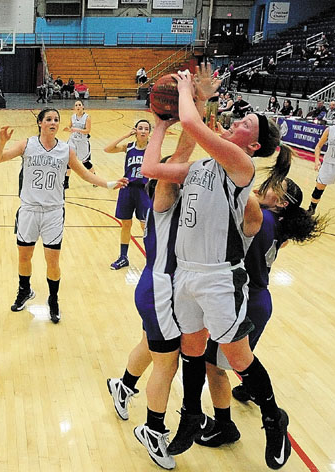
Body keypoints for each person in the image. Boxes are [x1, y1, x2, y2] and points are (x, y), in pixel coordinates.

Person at [142, 71, 294, 469]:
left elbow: (192, 123)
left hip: (219, 276)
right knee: (191, 349)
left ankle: (273, 418)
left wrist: (185, 90)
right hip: (186, 275)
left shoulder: (241, 167)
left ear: (254, 144)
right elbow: (150, 168)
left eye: (244, 124)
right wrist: (160, 125)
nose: (236, 121)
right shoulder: (200, 169)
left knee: (237, 356)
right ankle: (192, 414)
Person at [107, 66, 218, 471]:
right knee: (167, 364)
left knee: (152, 349)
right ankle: (153, 430)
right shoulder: (165, 192)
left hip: (163, 287)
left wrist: (198, 105)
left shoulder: (180, 184)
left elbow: (190, 150)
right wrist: (190, 106)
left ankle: (123, 385)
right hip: (162, 288)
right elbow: (185, 152)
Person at [200, 177, 325, 448]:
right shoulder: (278, 224)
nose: (264, 185)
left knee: (213, 363)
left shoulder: (263, 219)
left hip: (244, 301)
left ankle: (225, 426)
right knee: (242, 357)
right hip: (259, 300)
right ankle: (249, 388)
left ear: (280, 202)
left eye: (273, 186)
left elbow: (235, 189)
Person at [0, 109, 127, 323]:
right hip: (28, 210)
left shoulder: (66, 150)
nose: (53, 122)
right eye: (48, 119)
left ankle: (53, 299)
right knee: (24, 257)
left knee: (52, 261)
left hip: (53, 212)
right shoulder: (26, 144)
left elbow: (85, 174)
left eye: (56, 120)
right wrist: (1, 142)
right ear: (40, 123)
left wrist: (109, 184)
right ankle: (24, 290)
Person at [105, 119, 152, 270]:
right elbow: (108, 149)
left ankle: (152, 258)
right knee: (126, 224)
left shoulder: (152, 148)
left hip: (143, 190)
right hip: (127, 188)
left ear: (149, 132)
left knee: (145, 225)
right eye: (140, 128)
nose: (143, 131)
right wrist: (126, 135)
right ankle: (123, 257)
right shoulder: (129, 146)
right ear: (136, 131)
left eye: (146, 129)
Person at [62, 100, 95, 188]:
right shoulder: (72, 117)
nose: (78, 106)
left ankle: (94, 178)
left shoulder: (87, 117)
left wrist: (76, 129)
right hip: (72, 141)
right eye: (76, 105)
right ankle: (66, 182)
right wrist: (67, 128)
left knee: (85, 162)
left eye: (79, 105)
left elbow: (87, 131)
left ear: (83, 107)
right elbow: (70, 126)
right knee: (69, 161)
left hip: (82, 142)